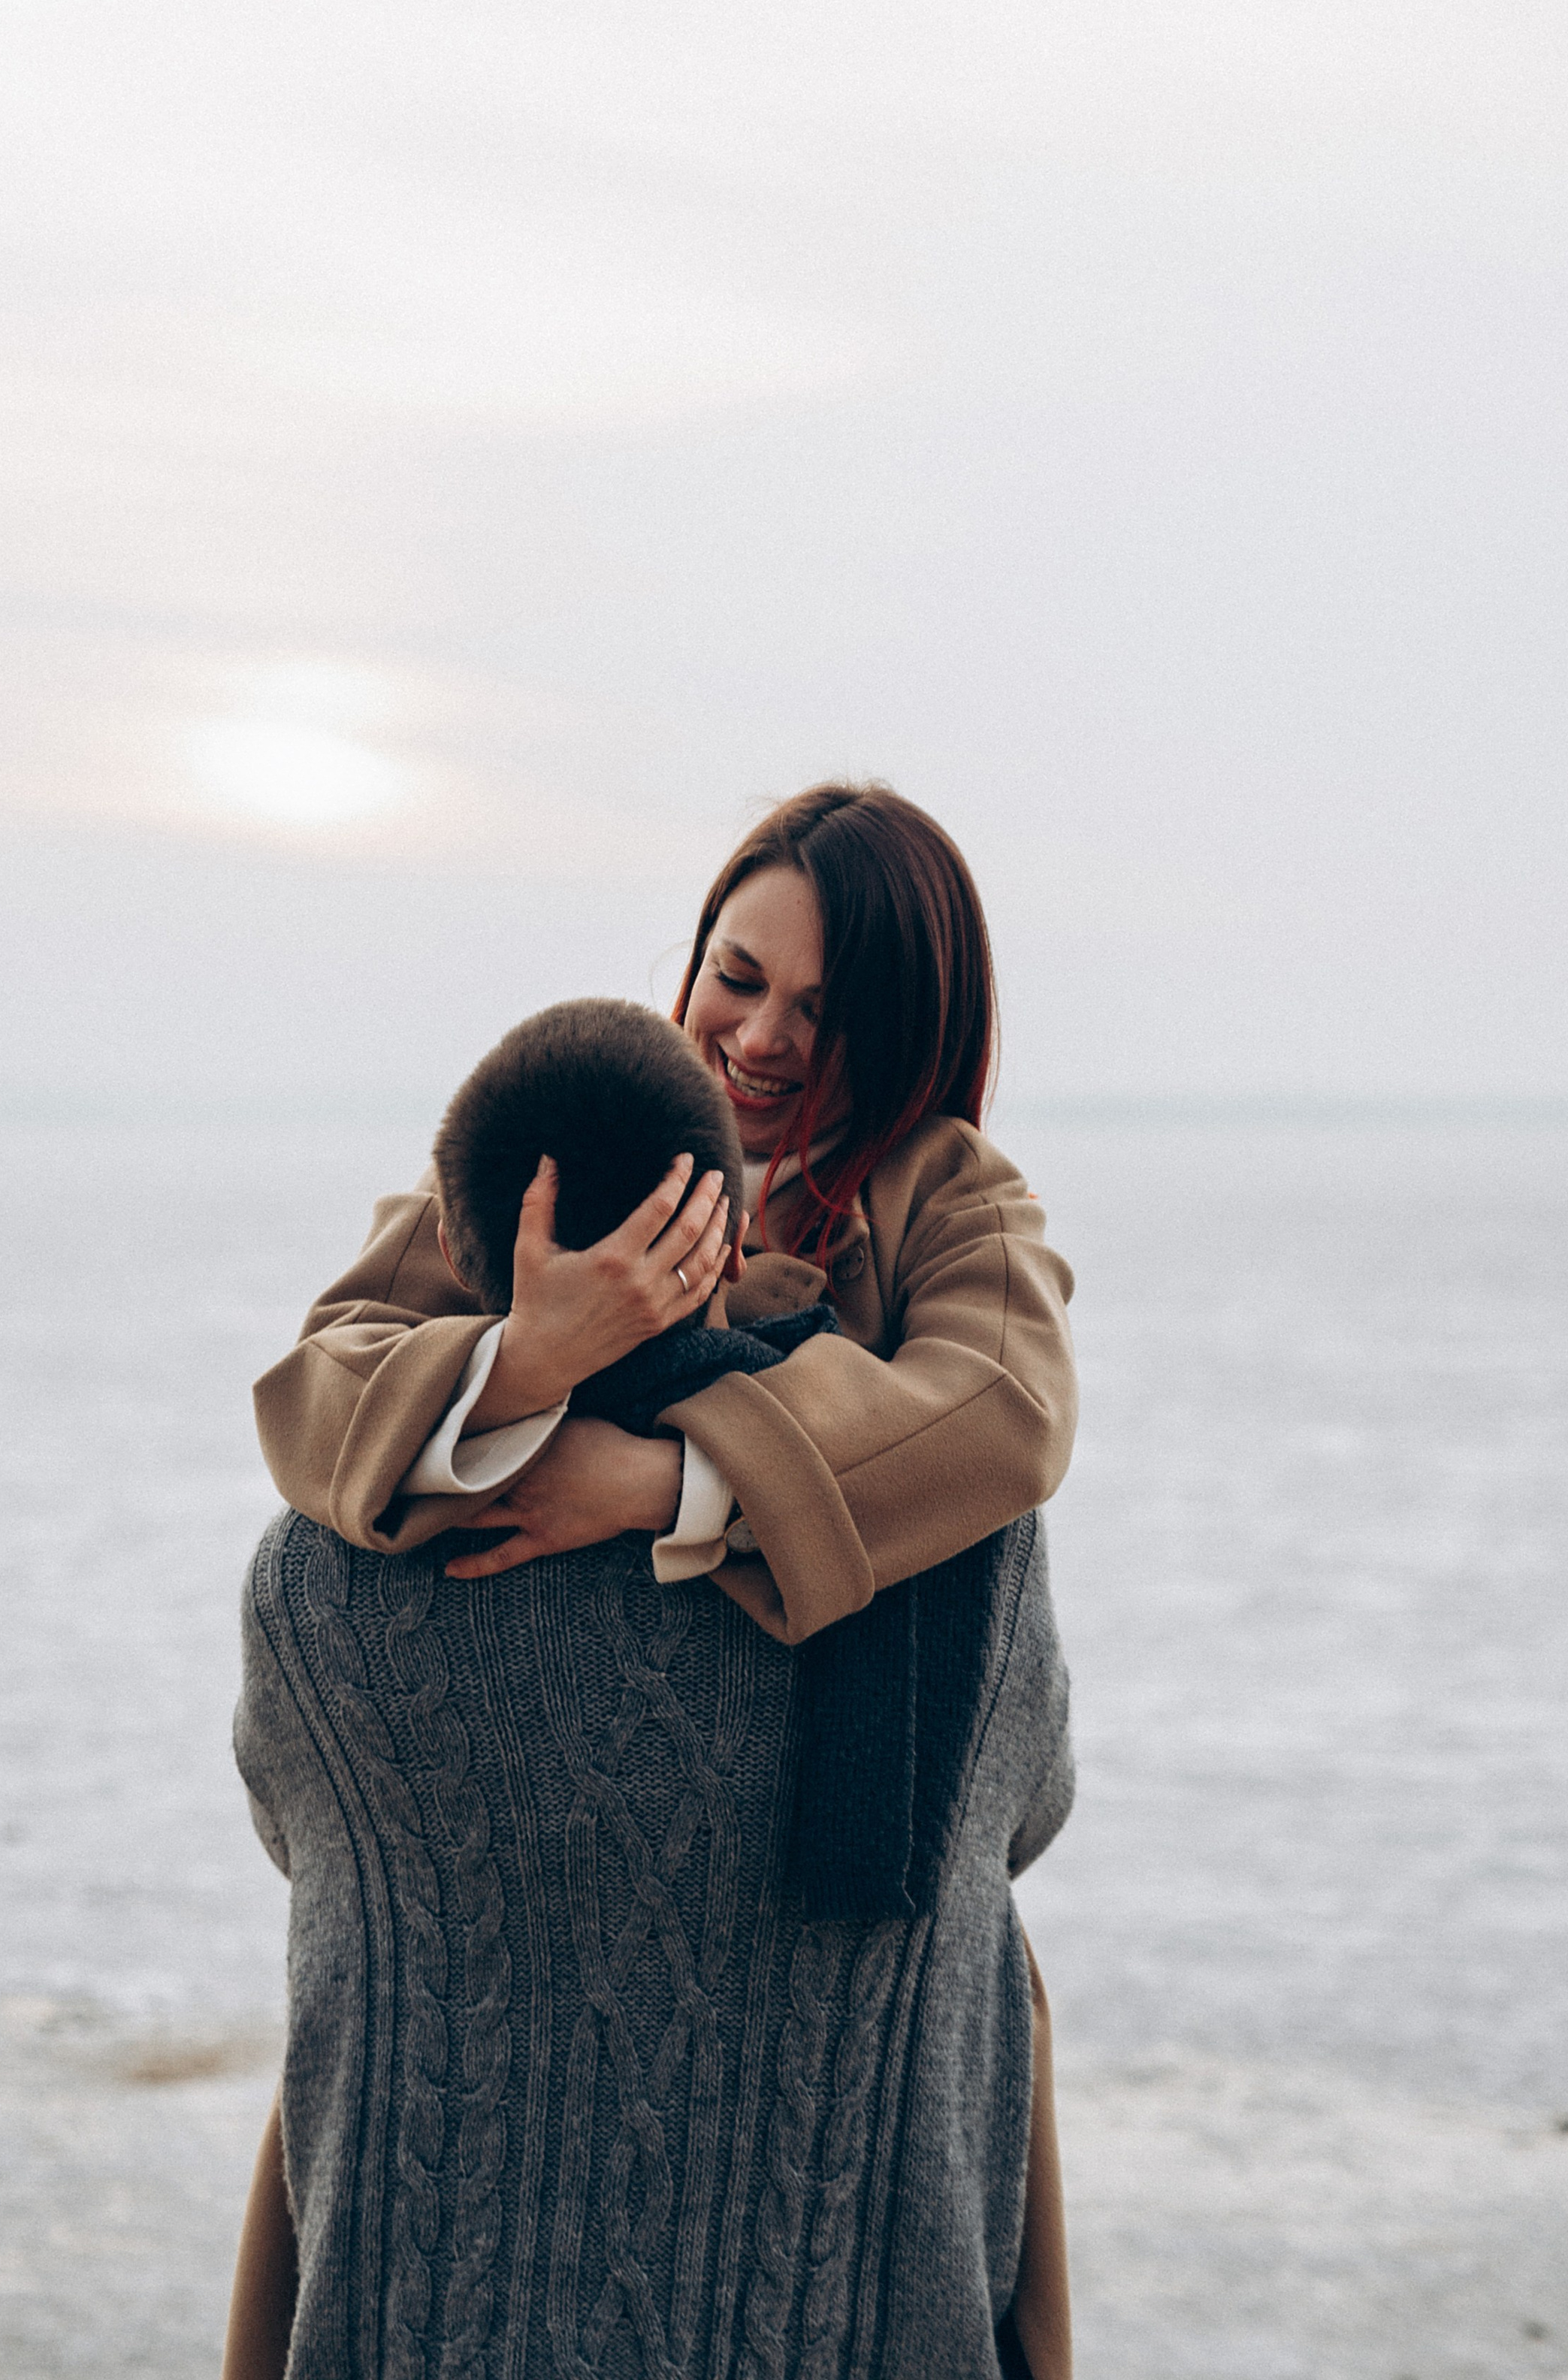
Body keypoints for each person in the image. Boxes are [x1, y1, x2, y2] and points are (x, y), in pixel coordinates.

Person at [225, 782, 1079, 2379]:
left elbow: (1003, 1416)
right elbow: (313, 1395)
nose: (761, 1038)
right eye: (736, 977)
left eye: (824, 1010)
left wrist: (663, 1481)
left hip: (846, 1957)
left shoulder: (945, 1195)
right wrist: (523, 1360)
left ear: (910, 1028)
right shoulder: (573, 1136)